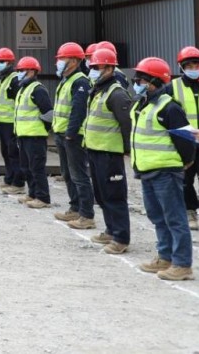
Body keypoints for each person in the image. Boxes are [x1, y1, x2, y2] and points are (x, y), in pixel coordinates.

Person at [130, 57, 195, 281]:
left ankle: (182, 264)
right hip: (147, 170)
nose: (137, 82)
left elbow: (186, 141)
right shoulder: (143, 104)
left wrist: (185, 162)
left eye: (141, 79)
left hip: (166, 172)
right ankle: (165, 256)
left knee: (175, 218)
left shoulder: (169, 107)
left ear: (154, 81)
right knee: (157, 216)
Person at [82, 48, 133, 253]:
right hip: (95, 150)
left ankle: (121, 238)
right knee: (102, 194)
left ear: (110, 68)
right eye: (93, 66)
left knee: (114, 195)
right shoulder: (98, 90)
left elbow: (127, 124)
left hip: (109, 153)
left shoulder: (116, 93)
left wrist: (128, 149)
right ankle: (111, 230)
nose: (93, 70)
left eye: (98, 67)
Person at [52, 42, 95, 229]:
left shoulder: (80, 81)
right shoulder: (66, 80)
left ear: (75, 61)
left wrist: (70, 133)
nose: (59, 62)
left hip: (73, 136)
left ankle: (87, 215)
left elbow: (78, 110)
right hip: (61, 133)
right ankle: (75, 207)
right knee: (67, 173)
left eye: (62, 59)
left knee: (79, 175)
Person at [13, 57, 54, 209]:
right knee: (26, 167)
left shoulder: (38, 89)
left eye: (21, 70)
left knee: (37, 168)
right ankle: (32, 193)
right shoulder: (23, 89)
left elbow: (48, 114)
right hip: (23, 135)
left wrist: (42, 129)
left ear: (31, 71)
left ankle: (43, 197)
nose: (19, 73)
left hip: (35, 136)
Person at [168, 46, 199, 231]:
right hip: (185, 142)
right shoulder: (172, 87)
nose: (193, 68)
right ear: (181, 66)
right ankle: (190, 211)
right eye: (189, 65)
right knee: (185, 180)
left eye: (196, 64)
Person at [0, 48, 25, 194]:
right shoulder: (3, 78)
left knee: (13, 152)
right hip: (2, 121)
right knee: (6, 152)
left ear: (10, 62)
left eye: (1, 61)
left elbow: (19, 102)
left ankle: (18, 183)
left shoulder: (14, 79)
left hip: (11, 122)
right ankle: (9, 178)